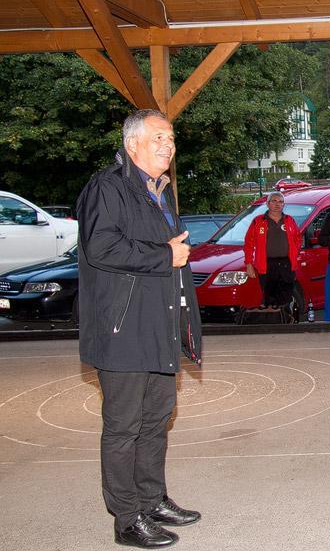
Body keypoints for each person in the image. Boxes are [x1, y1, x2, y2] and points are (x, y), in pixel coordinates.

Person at [77, 109, 202, 548]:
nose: (168, 145)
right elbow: (100, 247)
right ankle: (127, 519)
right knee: (124, 427)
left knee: (156, 419)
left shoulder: (158, 191)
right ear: (132, 145)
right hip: (122, 329)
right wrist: (164, 255)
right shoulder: (107, 188)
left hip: (157, 324)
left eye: (171, 138)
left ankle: (152, 500)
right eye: (158, 138)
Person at [243, 192, 302, 316]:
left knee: (286, 297)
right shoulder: (258, 221)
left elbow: (298, 238)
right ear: (267, 203)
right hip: (266, 264)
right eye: (274, 201)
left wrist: (294, 253)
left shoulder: (289, 220)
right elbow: (248, 243)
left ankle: (286, 320)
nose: (277, 204)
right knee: (269, 300)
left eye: (280, 202)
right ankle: (273, 322)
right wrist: (248, 264)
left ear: (283, 205)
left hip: (286, 264)